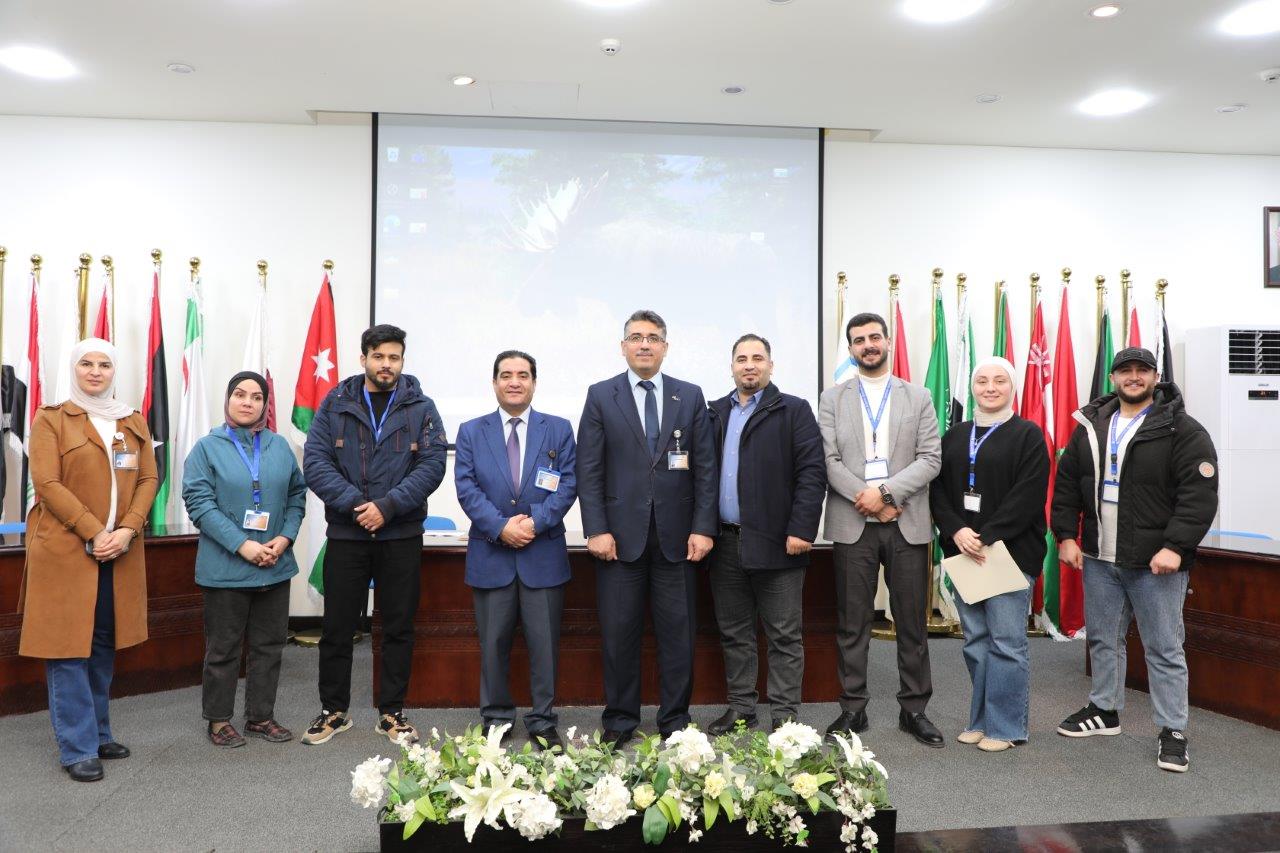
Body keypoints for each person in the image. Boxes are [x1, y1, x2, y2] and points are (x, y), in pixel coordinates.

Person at [1052, 346, 1218, 773]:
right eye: (1124, 370)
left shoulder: (1181, 429)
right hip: (1100, 556)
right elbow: (1068, 483)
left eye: (1142, 370)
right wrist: (1066, 535)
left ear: (1155, 377)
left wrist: (1175, 547)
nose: (1133, 377)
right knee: (1103, 639)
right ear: (1113, 378)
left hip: (1154, 561)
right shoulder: (1091, 425)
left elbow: (1198, 496)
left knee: (1163, 646)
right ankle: (1104, 710)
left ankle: (1172, 730)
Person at [19, 339, 158, 782]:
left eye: (104, 364)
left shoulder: (131, 420)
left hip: (119, 550)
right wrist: (96, 531)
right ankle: (77, 747)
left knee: (100, 644)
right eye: (86, 363)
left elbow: (149, 478)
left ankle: (98, 734)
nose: (95, 371)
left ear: (114, 371)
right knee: (68, 649)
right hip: (65, 551)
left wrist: (127, 530)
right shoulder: (51, 418)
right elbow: (47, 482)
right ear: (73, 369)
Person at [576, 309, 717, 746]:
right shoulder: (601, 396)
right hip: (618, 541)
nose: (644, 344)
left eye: (653, 338)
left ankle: (675, 721)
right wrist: (596, 528)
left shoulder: (689, 396)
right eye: (636, 337)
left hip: (679, 540)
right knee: (619, 636)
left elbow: (706, 469)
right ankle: (620, 721)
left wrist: (703, 527)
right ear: (623, 347)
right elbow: (589, 469)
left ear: (665, 347)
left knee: (678, 637)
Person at [301, 324, 447, 745]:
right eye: (379, 356)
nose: (386, 364)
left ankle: (391, 713)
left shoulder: (422, 407)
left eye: (394, 357)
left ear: (402, 361)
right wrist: (357, 505)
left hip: (400, 534)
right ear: (363, 358)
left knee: (398, 626)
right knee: (337, 627)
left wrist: (388, 506)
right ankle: (333, 711)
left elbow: (432, 465)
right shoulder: (336, 403)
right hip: (348, 534)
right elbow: (316, 462)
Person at [818, 312, 944, 747]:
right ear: (851, 348)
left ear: (887, 342)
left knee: (911, 623)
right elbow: (829, 460)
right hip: (854, 524)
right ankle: (853, 708)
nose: (868, 345)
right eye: (859, 340)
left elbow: (930, 458)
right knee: (853, 623)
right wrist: (868, 499)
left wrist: (886, 495)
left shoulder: (918, 396)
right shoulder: (832, 399)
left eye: (874, 337)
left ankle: (915, 709)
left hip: (906, 522)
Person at [454, 350, 577, 751]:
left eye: (523, 375)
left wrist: (535, 523)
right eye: (506, 375)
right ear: (494, 383)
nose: (514, 381)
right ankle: (496, 717)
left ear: (533, 383)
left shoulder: (558, 429)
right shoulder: (471, 431)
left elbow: (568, 484)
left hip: (543, 555)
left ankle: (543, 720)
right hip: (492, 555)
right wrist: (500, 527)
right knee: (492, 645)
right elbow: (467, 488)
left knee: (545, 646)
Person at [705, 334, 825, 735]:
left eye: (758, 358)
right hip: (724, 543)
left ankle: (784, 716)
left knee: (784, 636)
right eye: (742, 359)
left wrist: (802, 529)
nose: (749, 365)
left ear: (771, 366)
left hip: (779, 543)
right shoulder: (715, 412)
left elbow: (812, 473)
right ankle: (742, 708)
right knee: (734, 633)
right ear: (732, 367)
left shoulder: (793, 410)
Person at [929, 357, 1049, 752]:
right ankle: (980, 720)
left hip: (1008, 555)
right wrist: (957, 530)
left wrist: (986, 536)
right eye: (982, 381)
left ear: (1012, 387)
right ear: (973, 387)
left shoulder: (1028, 435)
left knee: (1007, 644)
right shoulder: (955, 435)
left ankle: (1007, 727)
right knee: (976, 641)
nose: (990, 388)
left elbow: (1028, 495)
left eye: (999, 380)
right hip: (964, 552)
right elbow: (937, 491)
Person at [182, 371, 307, 747]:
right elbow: (199, 505)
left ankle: (260, 717)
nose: (247, 402)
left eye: (256, 397)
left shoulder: (279, 446)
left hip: (275, 565)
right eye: (240, 394)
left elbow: (297, 495)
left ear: (265, 405)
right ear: (228, 399)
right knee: (223, 649)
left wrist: (285, 538)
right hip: (226, 568)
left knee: (269, 646)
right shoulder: (206, 448)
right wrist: (243, 545)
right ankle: (218, 720)